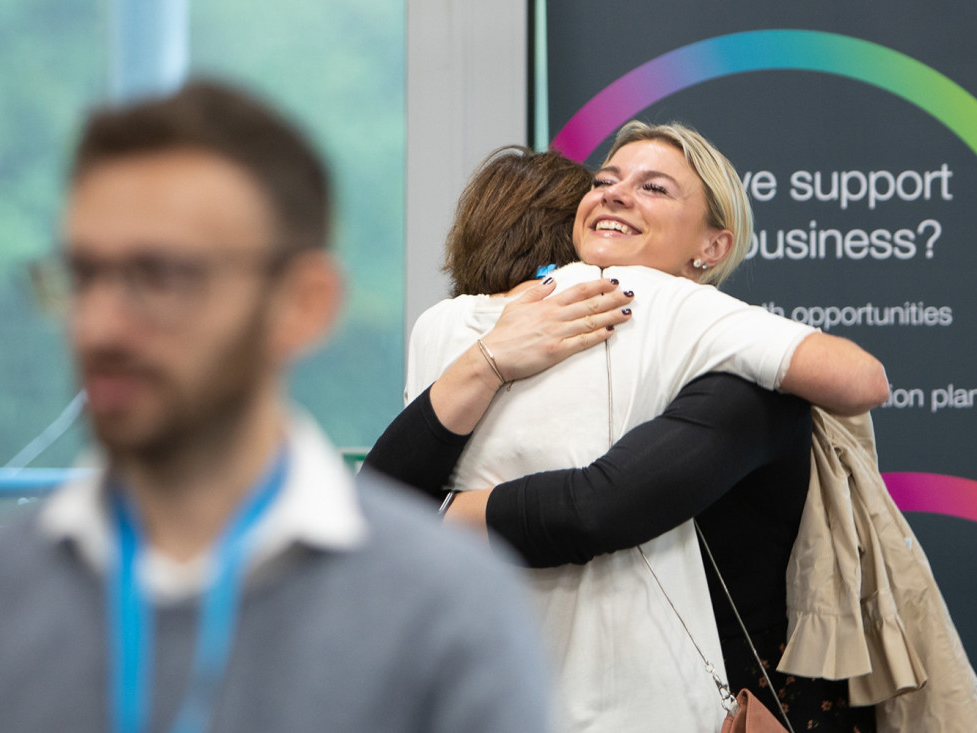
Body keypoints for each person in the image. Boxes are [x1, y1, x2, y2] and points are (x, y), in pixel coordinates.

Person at [0, 80, 588, 733]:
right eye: (83, 275)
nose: (101, 326)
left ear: (305, 303)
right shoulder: (11, 587)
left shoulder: (442, 608)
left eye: (160, 275)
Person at [369, 127, 888, 732]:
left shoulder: (726, 362)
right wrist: (489, 358)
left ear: (713, 246)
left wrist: (428, 516)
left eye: (654, 188)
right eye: (604, 181)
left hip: (737, 703)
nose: (615, 194)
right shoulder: (514, 329)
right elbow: (384, 491)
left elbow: (594, 508)